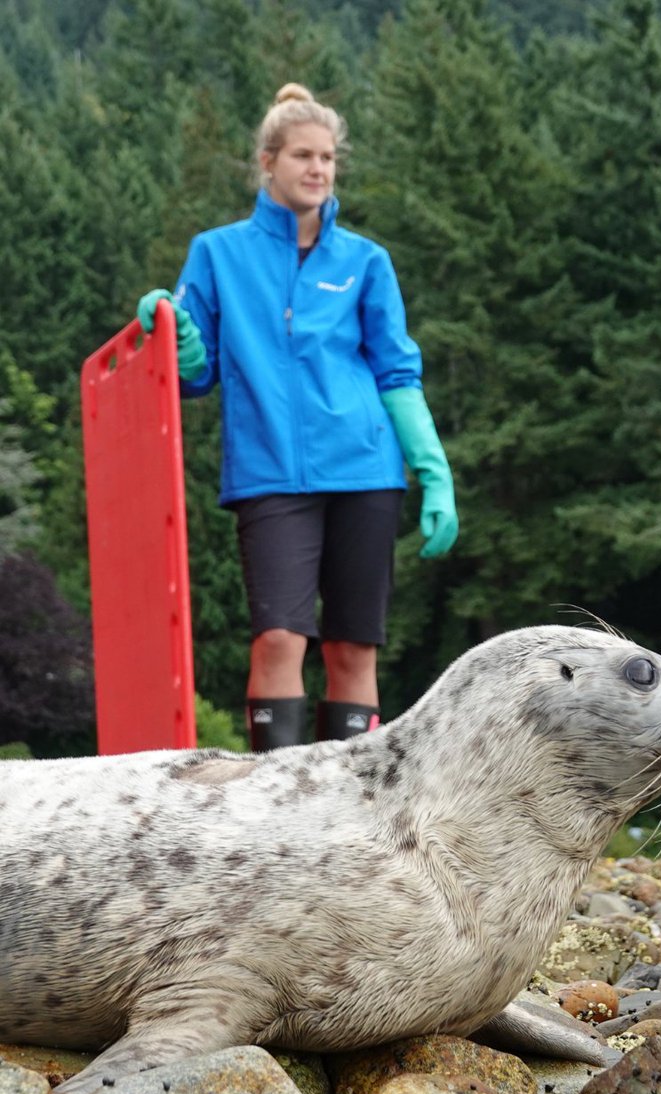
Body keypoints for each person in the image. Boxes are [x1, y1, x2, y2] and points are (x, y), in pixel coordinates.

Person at [136, 83, 458, 751]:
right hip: (269, 472)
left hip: (366, 472)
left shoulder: (366, 261)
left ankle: (353, 801)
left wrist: (434, 472)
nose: (318, 169)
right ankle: (272, 798)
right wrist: (175, 338)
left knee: (353, 647)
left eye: (328, 157)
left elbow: (397, 374)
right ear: (268, 162)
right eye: (303, 156)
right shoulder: (218, 253)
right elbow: (194, 376)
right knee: (280, 637)